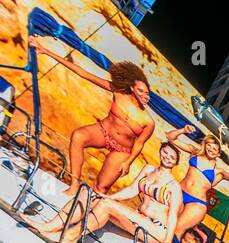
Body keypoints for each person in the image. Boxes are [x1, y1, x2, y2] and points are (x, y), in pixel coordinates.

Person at [28, 39, 154, 193]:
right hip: (103, 132)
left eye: (146, 92)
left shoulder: (148, 121)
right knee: (78, 136)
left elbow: (139, 144)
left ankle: (89, 211)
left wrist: (128, 162)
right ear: (132, 89)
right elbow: (83, 73)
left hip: (122, 150)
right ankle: (74, 186)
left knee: (101, 187)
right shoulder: (118, 92)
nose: (143, 94)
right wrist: (45, 50)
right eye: (140, 90)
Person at [34, 142, 182, 243]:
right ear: (161, 150)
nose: (167, 157)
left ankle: (71, 236)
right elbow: (131, 190)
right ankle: (50, 226)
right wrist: (108, 197)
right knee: (88, 194)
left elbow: (173, 216)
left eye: (172, 157)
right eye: (165, 152)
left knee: (105, 205)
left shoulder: (174, 186)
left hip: (154, 228)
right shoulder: (149, 169)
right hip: (138, 217)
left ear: (176, 162)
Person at [164, 126, 229, 243]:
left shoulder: (218, 170)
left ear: (219, 154)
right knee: (164, 221)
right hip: (179, 193)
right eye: (209, 146)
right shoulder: (195, 153)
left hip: (196, 203)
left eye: (215, 149)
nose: (211, 150)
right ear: (205, 145)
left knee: (176, 229)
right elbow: (170, 137)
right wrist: (183, 130)